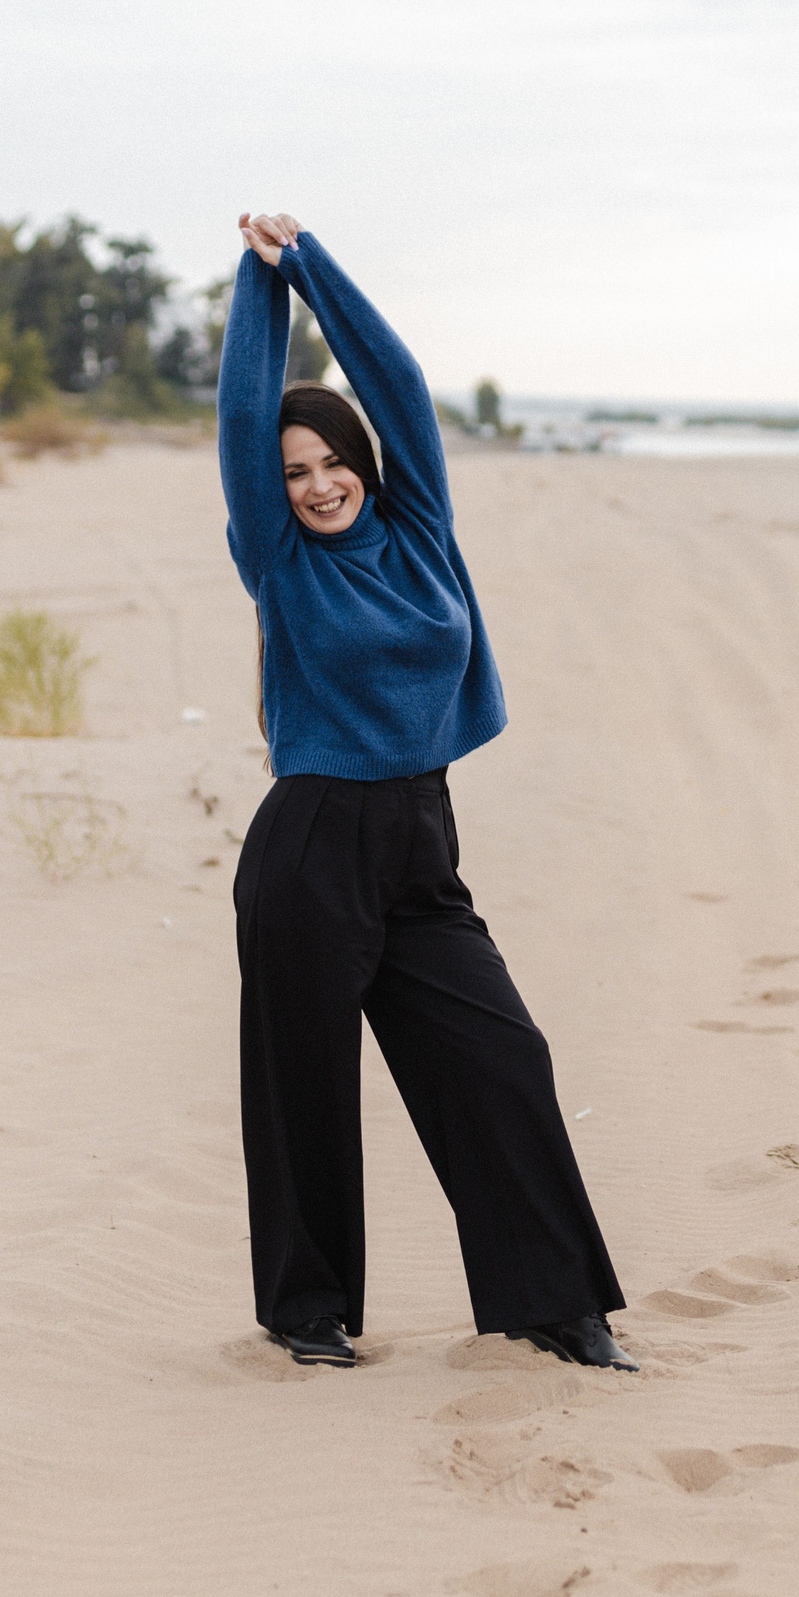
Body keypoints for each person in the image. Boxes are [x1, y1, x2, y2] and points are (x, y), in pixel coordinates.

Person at [217, 210, 631, 1372]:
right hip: (310, 847)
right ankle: (309, 1315)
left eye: (332, 460)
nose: (316, 484)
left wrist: (310, 267)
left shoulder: (422, 533)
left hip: (418, 845)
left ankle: (557, 1302)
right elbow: (248, 416)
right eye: (294, 473)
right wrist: (257, 297)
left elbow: (394, 379)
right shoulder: (279, 559)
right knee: (303, 1092)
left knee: (501, 1060)